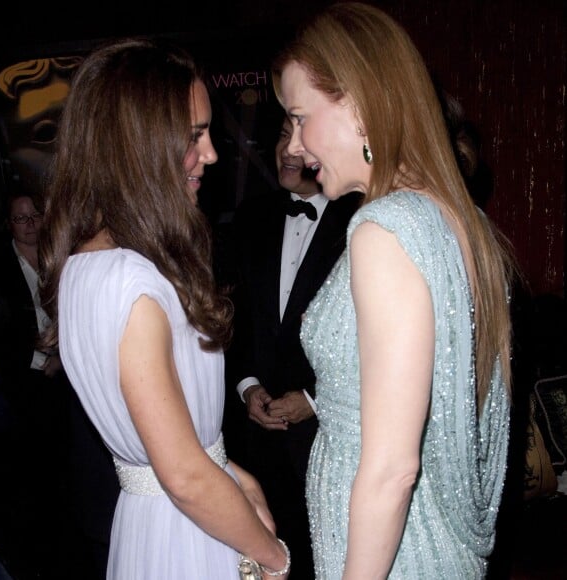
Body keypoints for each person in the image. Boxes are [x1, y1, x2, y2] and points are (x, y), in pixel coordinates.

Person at [272, 3, 515, 578]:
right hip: (420, 536)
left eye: (301, 117)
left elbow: (390, 469)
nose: (294, 147)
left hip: (391, 551)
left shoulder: (384, 229)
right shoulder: (455, 214)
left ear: (358, 104)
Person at [38, 37, 290, 580]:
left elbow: (174, 454)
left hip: (156, 521)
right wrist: (275, 559)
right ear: (140, 143)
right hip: (187, 531)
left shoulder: (85, 267)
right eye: (194, 136)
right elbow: (183, 476)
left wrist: (234, 474)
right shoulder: (134, 282)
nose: (212, 154)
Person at [225, 115, 361, 579]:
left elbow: (374, 344)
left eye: (300, 137)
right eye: (282, 133)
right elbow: (236, 320)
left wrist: (312, 401)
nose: (287, 148)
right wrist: (246, 386)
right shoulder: (251, 218)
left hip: (329, 437)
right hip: (255, 439)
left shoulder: (365, 222)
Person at [0, 189, 74, 579]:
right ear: (10, 224)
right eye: (20, 219)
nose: (29, 225)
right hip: (22, 381)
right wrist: (41, 360)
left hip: (66, 372)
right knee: (31, 469)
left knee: (66, 458)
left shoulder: (60, 255)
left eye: (34, 216)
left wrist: (62, 357)